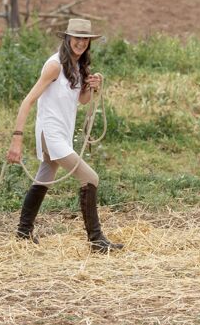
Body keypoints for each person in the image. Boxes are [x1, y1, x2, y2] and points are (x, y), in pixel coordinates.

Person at [7, 18, 123, 253]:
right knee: (91, 178)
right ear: (68, 38)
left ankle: (23, 231)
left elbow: (81, 101)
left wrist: (92, 86)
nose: (81, 43)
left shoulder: (78, 66)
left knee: (44, 178)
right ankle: (96, 239)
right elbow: (28, 101)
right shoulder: (55, 66)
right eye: (77, 38)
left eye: (85, 39)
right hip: (51, 133)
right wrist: (16, 139)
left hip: (61, 132)